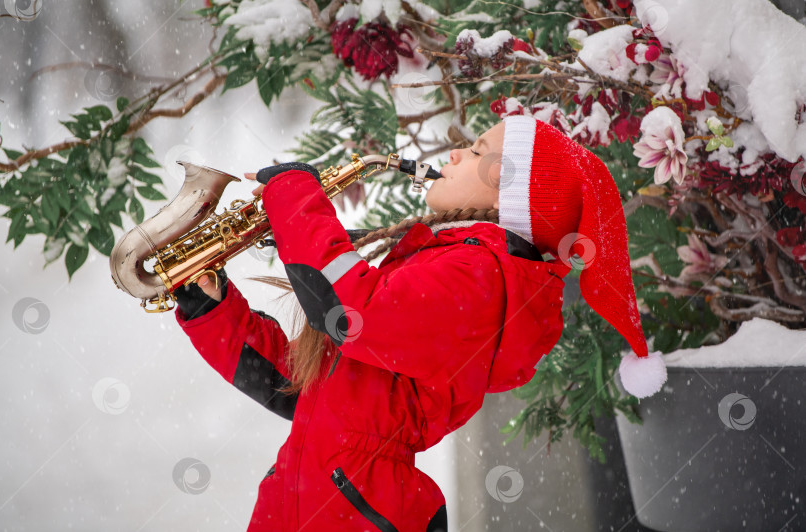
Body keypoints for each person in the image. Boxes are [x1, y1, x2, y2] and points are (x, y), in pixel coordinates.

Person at [172, 115, 667, 531]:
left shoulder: (480, 280)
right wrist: (212, 311)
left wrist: (294, 195)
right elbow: (303, 387)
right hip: (321, 494)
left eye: (476, 151)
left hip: (354, 506)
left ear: (514, 198)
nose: (454, 155)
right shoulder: (455, 264)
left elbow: (346, 309)